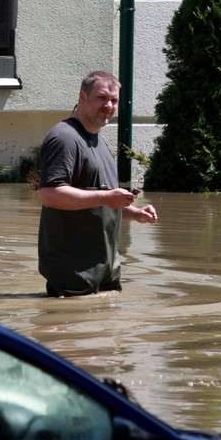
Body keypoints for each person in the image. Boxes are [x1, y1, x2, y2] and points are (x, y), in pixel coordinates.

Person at [38, 70, 158, 297]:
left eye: (114, 100)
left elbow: (102, 204)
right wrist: (106, 198)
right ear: (83, 97)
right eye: (102, 98)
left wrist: (135, 213)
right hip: (74, 274)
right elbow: (50, 194)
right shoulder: (65, 137)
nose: (109, 105)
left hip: (105, 273)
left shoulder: (99, 142)